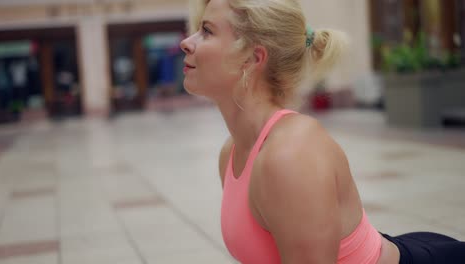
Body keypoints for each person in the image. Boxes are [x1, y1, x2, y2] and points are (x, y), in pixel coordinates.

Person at [180, 0, 465, 263]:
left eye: (206, 31)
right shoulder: (231, 153)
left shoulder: (291, 155)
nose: (186, 43)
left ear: (253, 59)